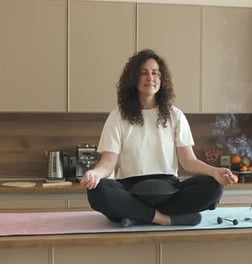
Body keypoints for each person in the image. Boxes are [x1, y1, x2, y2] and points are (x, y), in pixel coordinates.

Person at [80, 49, 237, 227]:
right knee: (98, 191)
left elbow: (188, 161)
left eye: (155, 73)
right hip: (130, 190)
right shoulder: (117, 117)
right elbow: (108, 163)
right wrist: (95, 174)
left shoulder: (175, 115)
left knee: (213, 187)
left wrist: (214, 172)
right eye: (143, 72)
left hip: (169, 191)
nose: (150, 77)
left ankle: (135, 215)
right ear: (133, 78)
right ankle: (164, 219)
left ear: (162, 79)